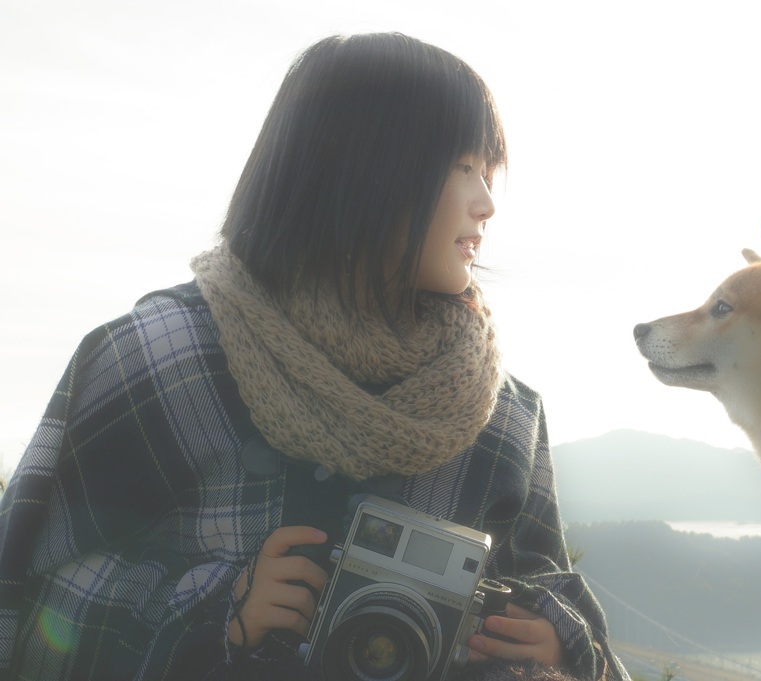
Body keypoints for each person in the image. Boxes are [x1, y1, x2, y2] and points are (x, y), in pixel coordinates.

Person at [0, 32, 629, 681]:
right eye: (461, 167)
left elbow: (553, 614)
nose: (487, 203)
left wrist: (555, 649)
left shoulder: (505, 418)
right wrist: (216, 613)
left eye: (487, 171)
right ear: (364, 171)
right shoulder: (159, 361)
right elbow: (25, 604)